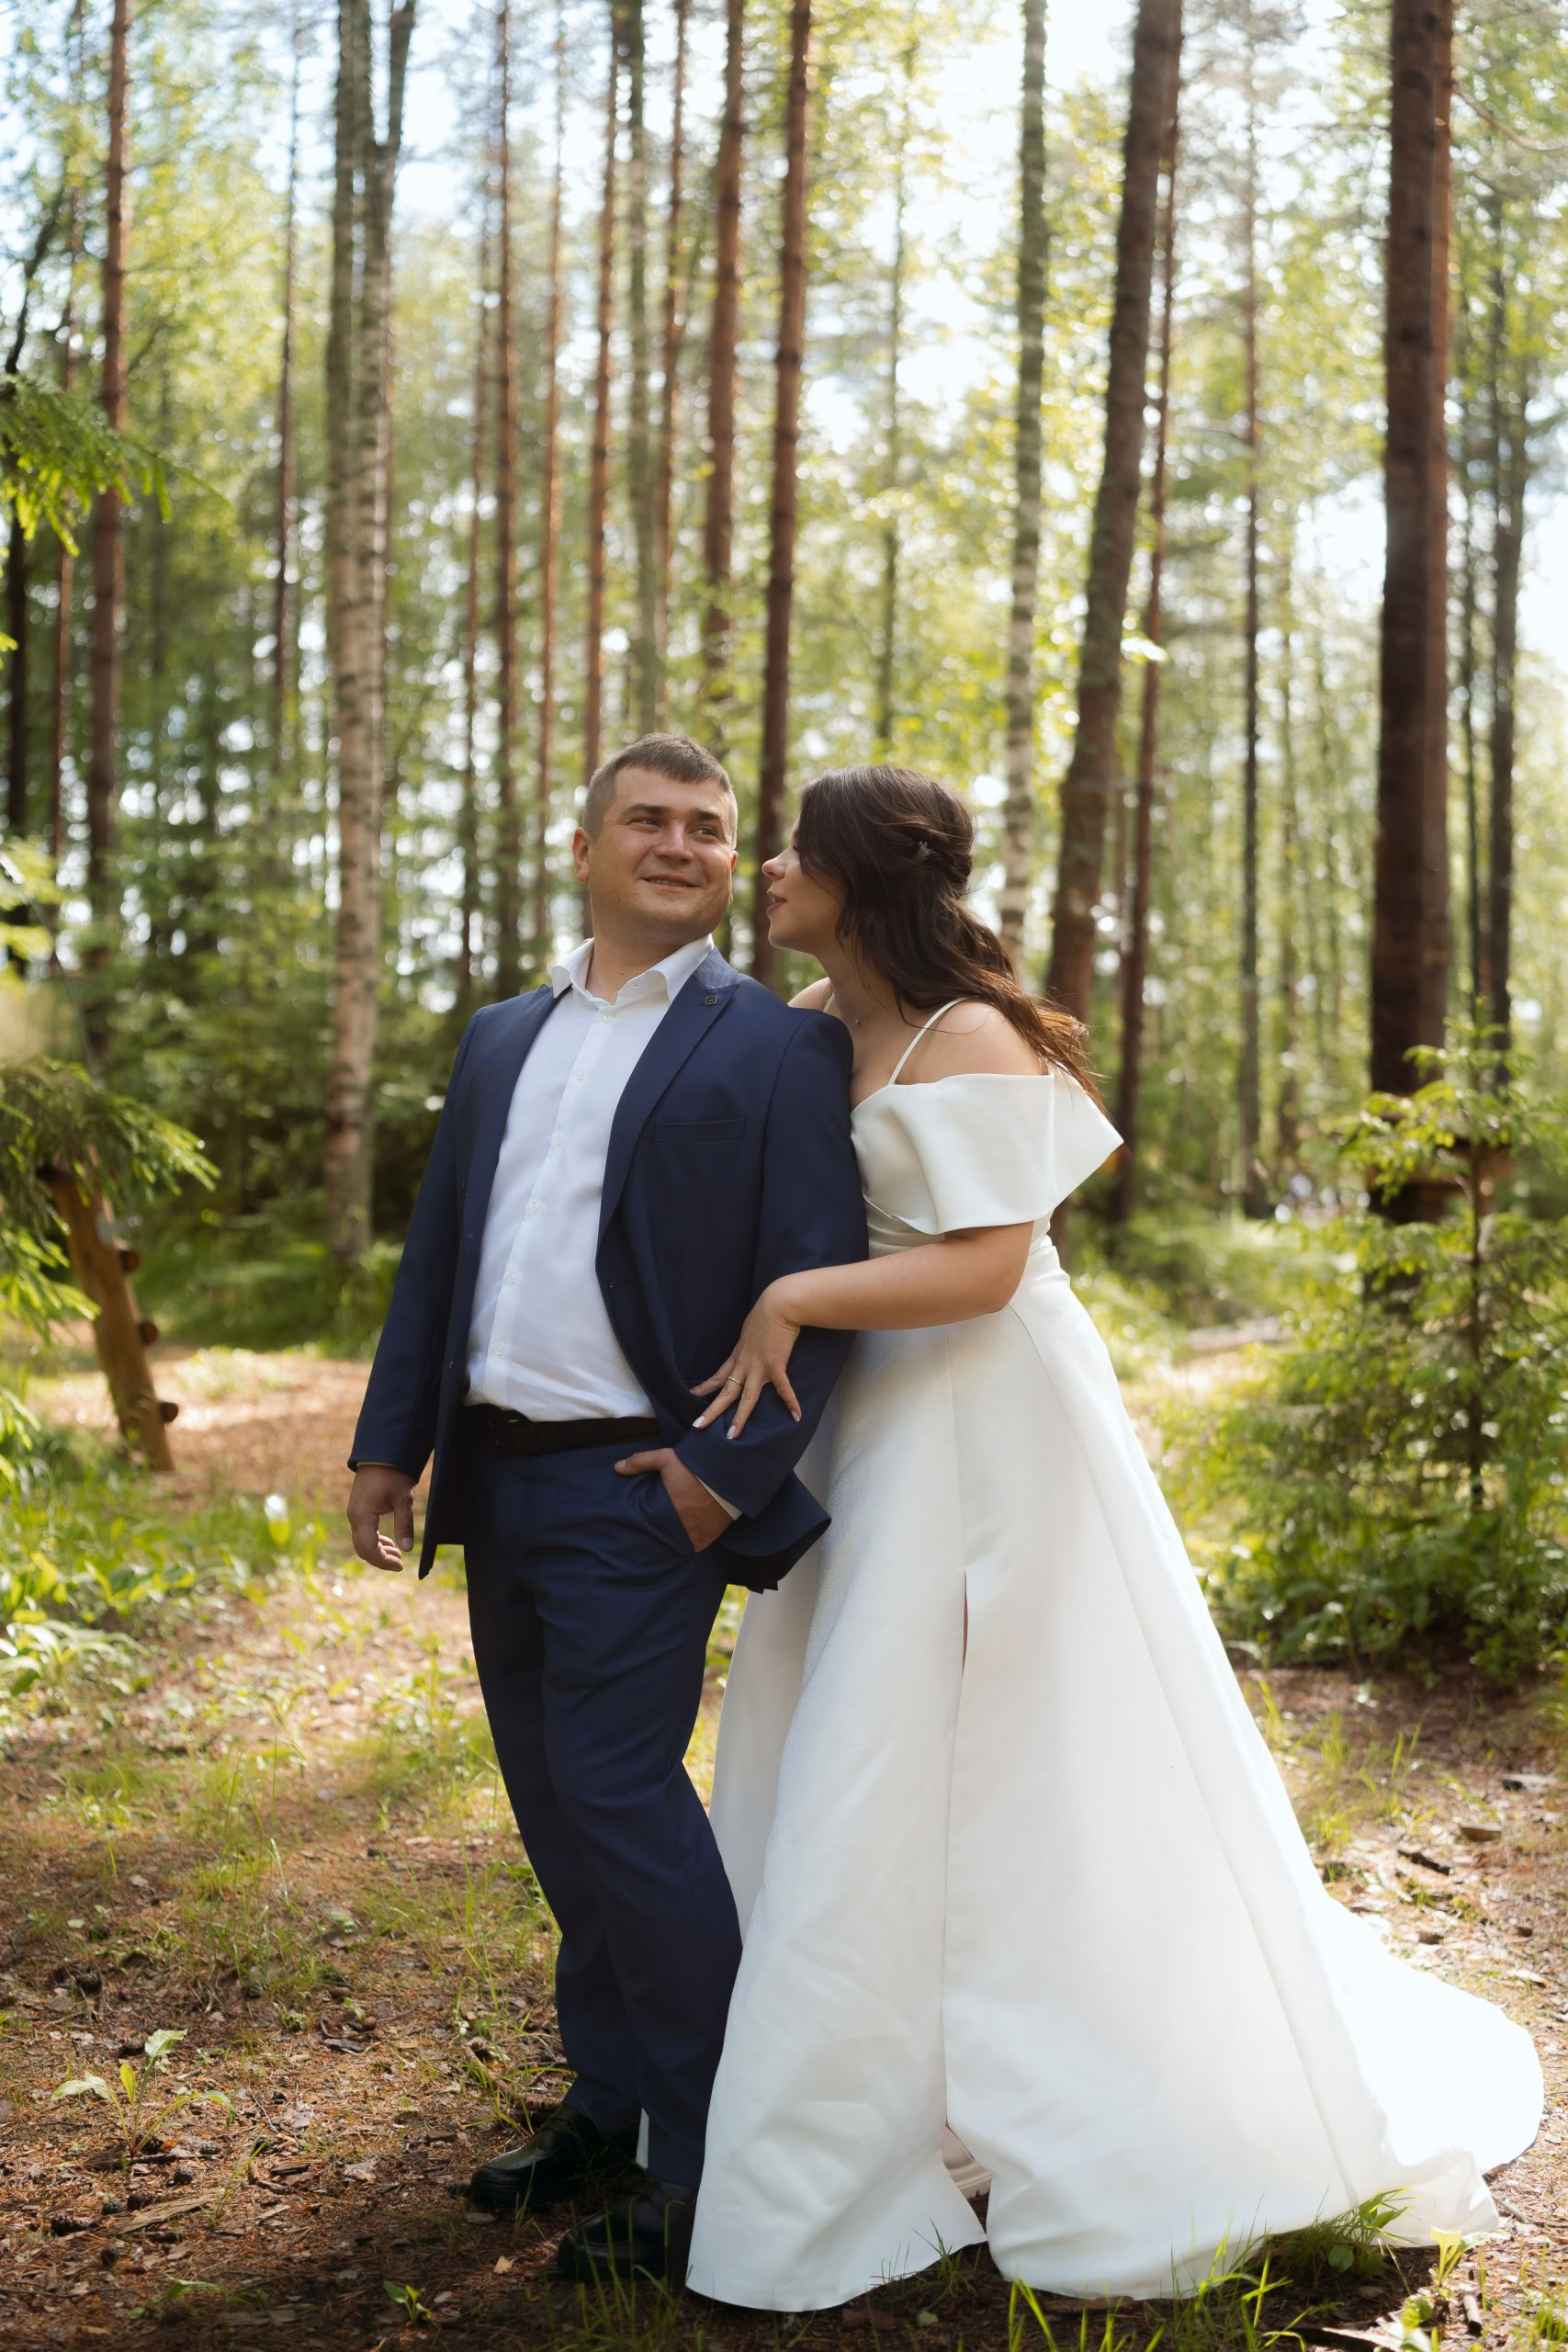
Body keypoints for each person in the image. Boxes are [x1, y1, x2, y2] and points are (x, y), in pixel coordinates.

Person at [684, 763, 1543, 2312]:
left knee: (1014, 1738)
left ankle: (1082, 2060)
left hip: (992, 1419)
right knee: (857, 1736)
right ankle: (869, 2080)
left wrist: (795, 1299)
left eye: (789, 852)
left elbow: (989, 1266)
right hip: (873, 1426)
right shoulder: (818, 1029)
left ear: (855, 876)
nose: (765, 872)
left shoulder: (977, 1035)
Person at [344, 734, 866, 2285]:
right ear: (584, 848)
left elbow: (818, 1282)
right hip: (492, 1472)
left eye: (711, 827)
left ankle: (715, 2167)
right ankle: (615, 2100)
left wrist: (721, 1477)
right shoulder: (502, 1036)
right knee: (558, 1809)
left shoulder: (772, 1046)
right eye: (649, 818)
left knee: (625, 1806)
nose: (685, 843)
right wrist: (393, 1440)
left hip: (642, 1485)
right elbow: (445, 1246)